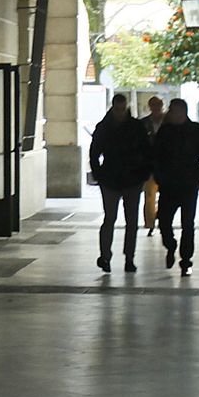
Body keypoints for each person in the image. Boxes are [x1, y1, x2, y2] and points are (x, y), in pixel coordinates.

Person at [87, 94, 152, 273]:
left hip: (129, 179)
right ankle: (107, 256)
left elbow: (146, 152)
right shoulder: (107, 127)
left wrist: (143, 173)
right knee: (111, 219)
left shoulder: (133, 127)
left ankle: (128, 257)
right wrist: (99, 175)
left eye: (122, 109)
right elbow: (94, 153)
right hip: (113, 179)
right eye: (118, 109)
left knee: (129, 221)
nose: (121, 112)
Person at [152, 98, 199, 277]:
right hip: (168, 185)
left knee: (188, 224)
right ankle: (170, 245)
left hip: (188, 185)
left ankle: (186, 260)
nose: (170, 113)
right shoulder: (165, 131)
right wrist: (159, 177)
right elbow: (155, 156)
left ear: (182, 112)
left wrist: (196, 175)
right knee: (164, 221)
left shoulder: (197, 131)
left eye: (173, 110)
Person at [140, 95, 166, 235]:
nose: (156, 108)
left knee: (166, 196)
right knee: (149, 195)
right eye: (153, 105)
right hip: (150, 166)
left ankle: (163, 220)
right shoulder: (143, 123)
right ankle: (150, 223)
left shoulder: (169, 122)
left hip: (166, 166)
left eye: (158, 105)